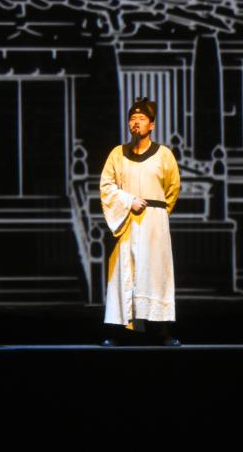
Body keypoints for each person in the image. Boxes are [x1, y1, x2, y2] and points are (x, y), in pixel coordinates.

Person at [98, 96, 181, 346]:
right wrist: (128, 200)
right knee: (125, 273)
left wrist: (157, 214)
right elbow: (106, 186)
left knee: (155, 274)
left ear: (151, 125)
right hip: (127, 221)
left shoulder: (164, 155)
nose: (136, 123)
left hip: (154, 223)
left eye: (141, 119)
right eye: (132, 119)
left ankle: (162, 331)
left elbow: (173, 188)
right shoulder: (117, 154)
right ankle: (118, 332)